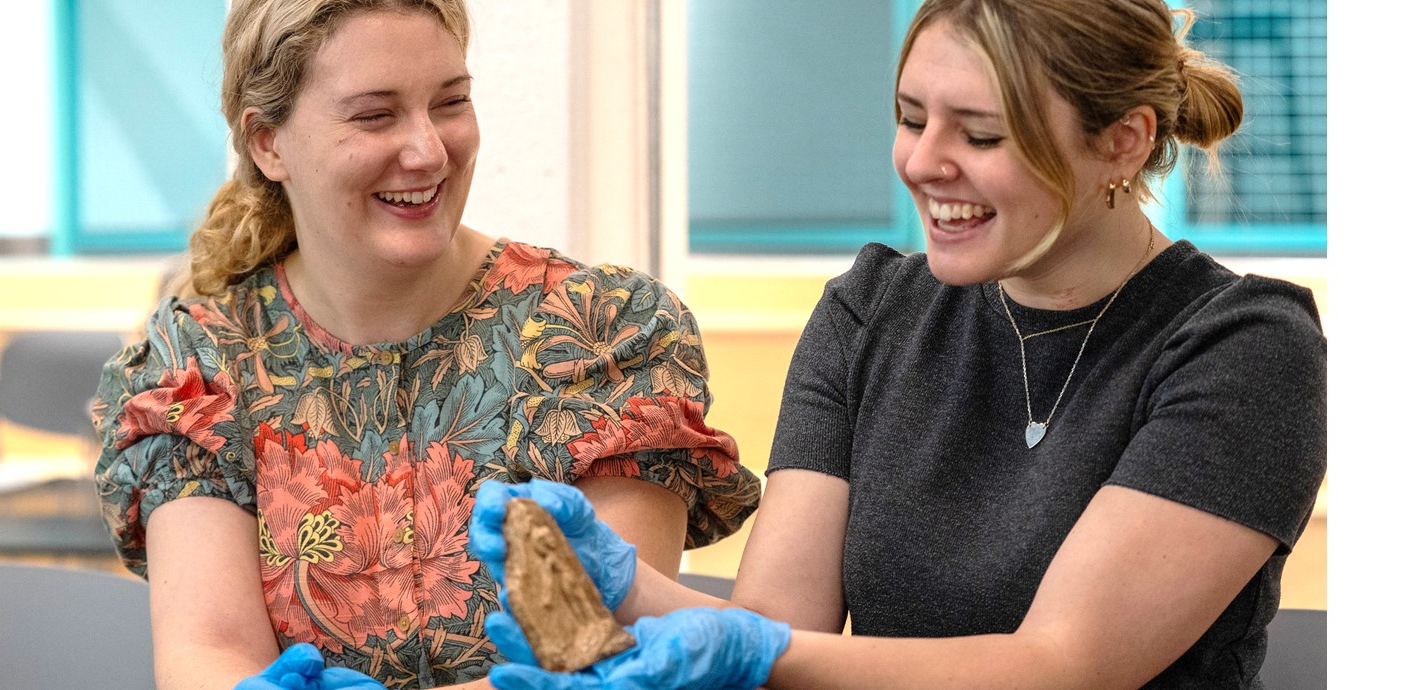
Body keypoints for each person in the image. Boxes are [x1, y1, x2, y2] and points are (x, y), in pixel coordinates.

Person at [470, 0, 1327, 688]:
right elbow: (783, 630)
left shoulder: (1243, 348)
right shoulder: (871, 310)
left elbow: (1064, 667)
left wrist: (706, 635)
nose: (923, 162)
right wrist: (628, 600)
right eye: (912, 118)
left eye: (980, 134)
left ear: (1123, 141)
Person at [90, 1, 760, 688]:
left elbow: (597, 655)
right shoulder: (201, 366)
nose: (429, 151)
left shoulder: (602, 334)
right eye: (376, 115)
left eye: (451, 102)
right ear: (268, 143)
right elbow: (209, 656)